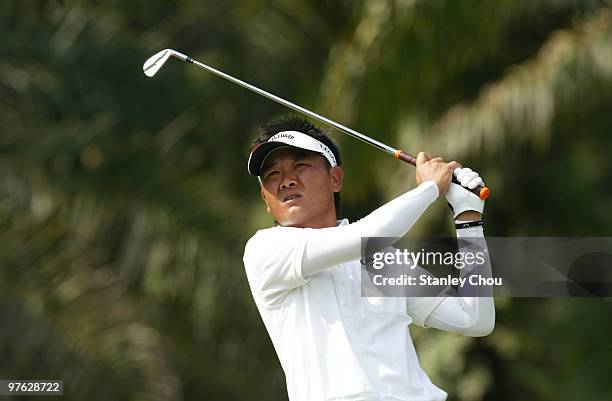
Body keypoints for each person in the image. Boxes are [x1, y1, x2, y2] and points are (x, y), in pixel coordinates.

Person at [243, 115, 495, 401]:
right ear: (265, 198)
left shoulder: (382, 259)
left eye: (299, 165)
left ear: (335, 178)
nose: (286, 181)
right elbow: (373, 232)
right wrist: (430, 189)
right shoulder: (266, 249)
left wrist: (468, 218)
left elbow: (473, 319)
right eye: (272, 175)